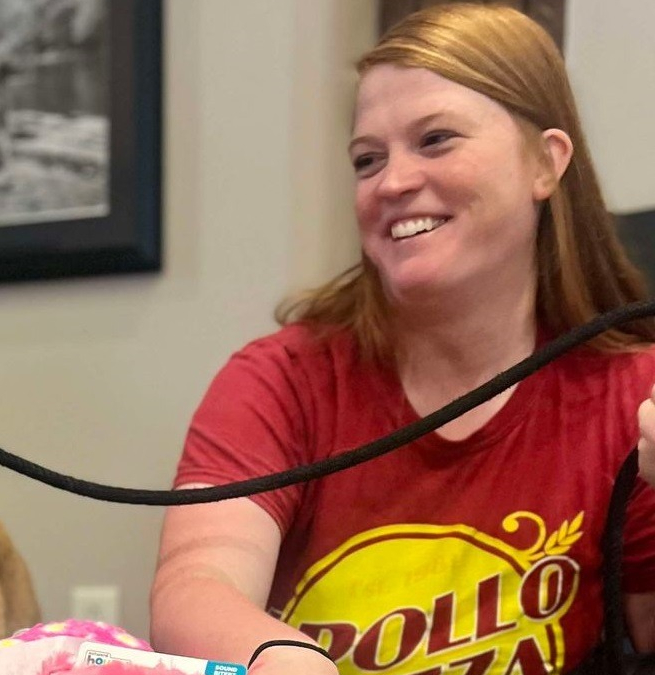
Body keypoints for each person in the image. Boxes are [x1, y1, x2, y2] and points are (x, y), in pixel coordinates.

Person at [149, 4, 655, 674]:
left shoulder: (631, 391)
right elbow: (194, 584)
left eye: (436, 139)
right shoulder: (284, 379)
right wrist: (280, 657)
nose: (392, 182)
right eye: (366, 159)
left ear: (544, 162)